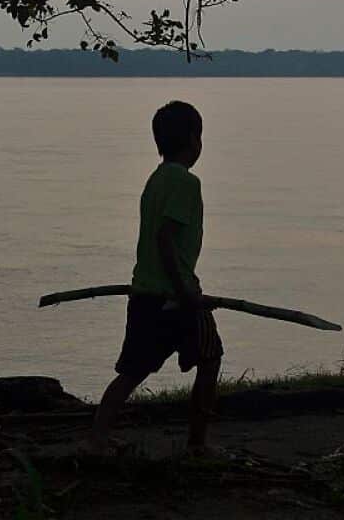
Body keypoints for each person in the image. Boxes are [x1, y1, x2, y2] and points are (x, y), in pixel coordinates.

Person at [89, 100, 223, 452]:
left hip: (144, 292)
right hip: (175, 295)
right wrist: (184, 292)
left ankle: (98, 440)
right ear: (194, 140)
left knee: (131, 372)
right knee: (210, 359)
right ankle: (197, 443)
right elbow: (165, 238)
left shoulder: (156, 179)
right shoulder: (185, 182)